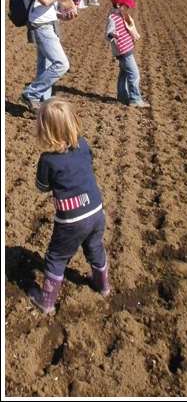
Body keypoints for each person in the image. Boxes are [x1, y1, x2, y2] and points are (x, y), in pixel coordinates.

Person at [28, 98, 110, 314]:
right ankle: (103, 286)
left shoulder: (47, 160)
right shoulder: (83, 144)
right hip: (96, 210)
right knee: (94, 247)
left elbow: (42, 187)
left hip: (71, 220)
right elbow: (87, 164)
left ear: (45, 131)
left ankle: (46, 302)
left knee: (56, 257)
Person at [19, 0, 75, 112]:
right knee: (61, 64)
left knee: (44, 67)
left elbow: (46, 7)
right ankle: (31, 93)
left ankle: (45, 104)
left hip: (50, 23)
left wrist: (62, 16)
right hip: (41, 27)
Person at [106, 0, 150, 107]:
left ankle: (122, 96)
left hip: (126, 49)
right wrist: (112, 35)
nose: (129, 7)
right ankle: (135, 99)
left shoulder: (121, 15)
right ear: (118, 6)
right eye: (126, 5)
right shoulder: (113, 18)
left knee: (124, 73)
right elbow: (108, 33)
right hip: (123, 51)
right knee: (134, 74)